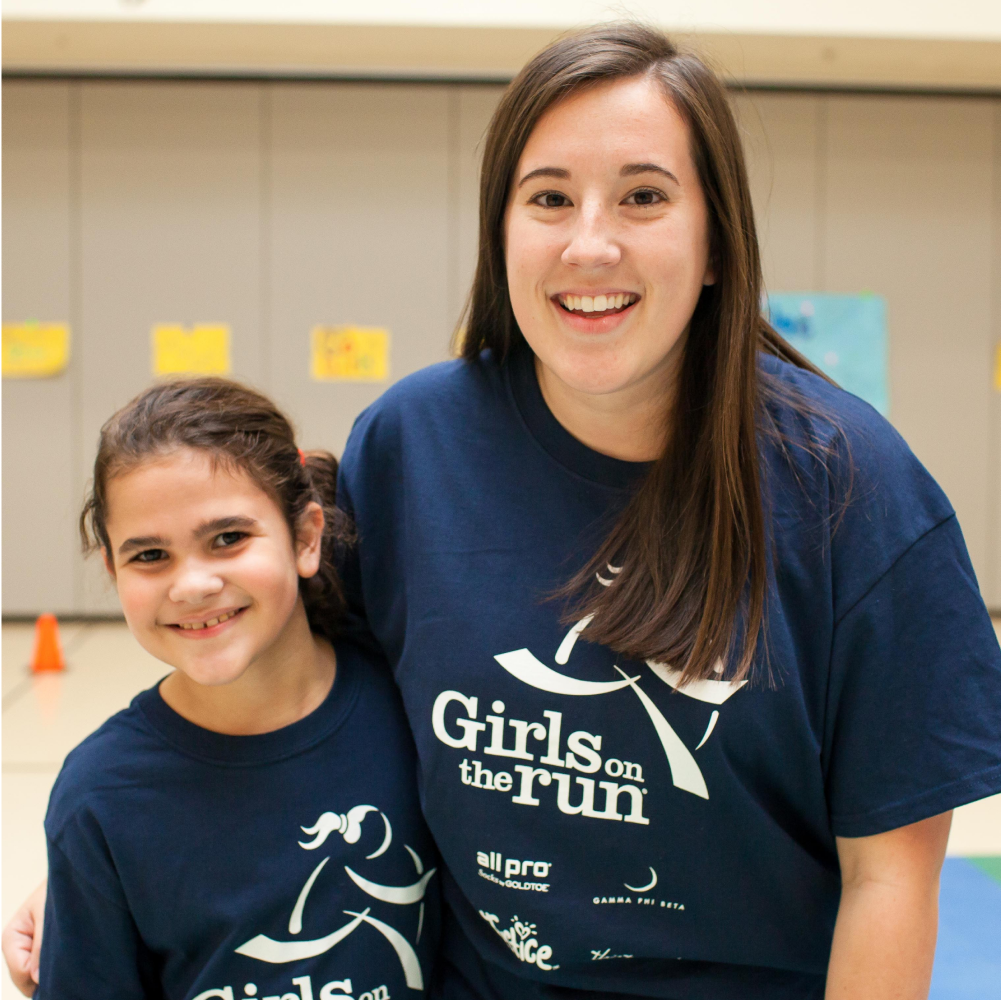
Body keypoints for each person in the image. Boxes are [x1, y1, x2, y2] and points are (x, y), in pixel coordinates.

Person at [6, 22, 1001, 1001]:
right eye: (548, 198)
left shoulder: (851, 488)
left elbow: (889, 878)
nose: (590, 241)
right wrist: (105, 855)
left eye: (643, 196)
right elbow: (282, 681)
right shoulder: (411, 444)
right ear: (501, 231)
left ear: (713, 242)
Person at [24, 378, 439, 1000]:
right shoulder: (103, 794)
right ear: (111, 569)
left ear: (304, 538)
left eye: (227, 539)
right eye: (149, 556)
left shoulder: (415, 714)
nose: (191, 584)